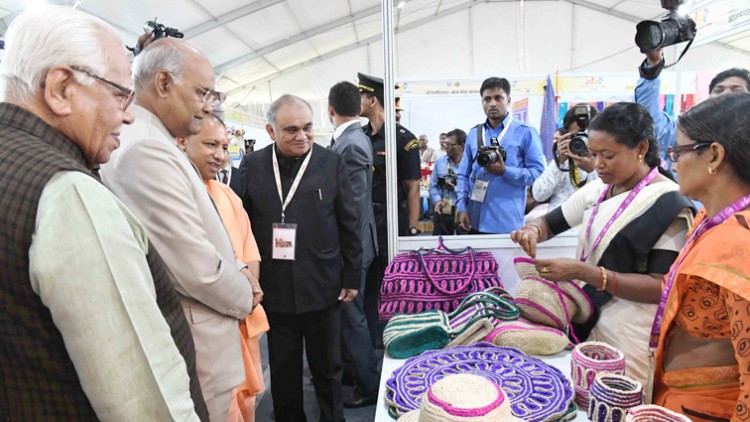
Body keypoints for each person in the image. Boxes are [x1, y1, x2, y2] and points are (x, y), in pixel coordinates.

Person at [0, 6, 207, 420]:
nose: (128, 114)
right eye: (119, 93)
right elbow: (144, 399)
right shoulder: (67, 195)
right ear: (60, 88)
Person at [101, 38, 258, 421]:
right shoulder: (146, 151)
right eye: (202, 92)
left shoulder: (154, 142)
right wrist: (245, 294)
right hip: (194, 343)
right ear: (163, 83)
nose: (207, 105)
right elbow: (194, 266)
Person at [511, 102, 694, 387]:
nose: (597, 165)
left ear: (641, 148)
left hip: (631, 334)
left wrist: (585, 273)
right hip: (587, 319)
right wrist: (532, 231)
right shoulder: (598, 190)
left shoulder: (666, 203)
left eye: (608, 155)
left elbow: (661, 287)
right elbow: (549, 224)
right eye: (594, 154)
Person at [238, 94, 362, 422]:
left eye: (308, 128)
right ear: (270, 130)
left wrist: (352, 276)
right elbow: (240, 226)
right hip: (275, 289)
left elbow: (349, 222)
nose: (302, 136)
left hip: (324, 284)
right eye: (291, 129)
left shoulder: (330, 162)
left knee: (328, 369)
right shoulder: (252, 166)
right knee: (283, 372)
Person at [651, 93, 750, 420]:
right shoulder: (709, 218)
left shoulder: (741, 243)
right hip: (679, 400)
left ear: (715, 155)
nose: (673, 163)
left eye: (678, 151)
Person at [178, 113, 269, 422]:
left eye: (224, 146)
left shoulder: (228, 194)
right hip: (210, 327)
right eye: (210, 145)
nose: (220, 154)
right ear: (181, 142)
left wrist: (248, 296)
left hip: (244, 318)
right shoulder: (177, 197)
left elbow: (250, 251)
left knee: (247, 403)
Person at [327, 81, 381, 408]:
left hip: (353, 250)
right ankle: (355, 373)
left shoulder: (350, 145)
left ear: (330, 110)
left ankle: (369, 384)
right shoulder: (353, 140)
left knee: (353, 318)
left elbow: (352, 207)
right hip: (357, 246)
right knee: (353, 316)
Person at [358, 72, 421, 347]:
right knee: (367, 286)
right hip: (364, 219)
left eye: (361, 95)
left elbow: (413, 188)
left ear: (372, 100)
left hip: (390, 221)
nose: (356, 100)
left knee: (391, 285)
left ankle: (391, 341)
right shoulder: (360, 136)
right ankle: (370, 345)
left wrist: (413, 229)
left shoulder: (403, 139)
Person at [456, 76, 546, 234]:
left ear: (508, 100)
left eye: (498, 98)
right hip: (474, 220)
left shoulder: (525, 132)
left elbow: (537, 173)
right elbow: (463, 174)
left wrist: (505, 171)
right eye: (487, 99)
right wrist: (461, 206)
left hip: (506, 223)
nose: (492, 103)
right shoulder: (473, 134)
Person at [636, 48, 750, 166]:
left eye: (736, 90)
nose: (725, 94)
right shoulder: (686, 132)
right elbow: (650, 119)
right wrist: (653, 65)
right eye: (718, 90)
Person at [533, 105, 599, 210]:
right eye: (576, 136)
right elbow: (539, 195)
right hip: (559, 223)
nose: (581, 140)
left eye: (585, 135)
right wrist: (559, 162)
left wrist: (592, 170)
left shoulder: (605, 159)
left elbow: (606, 197)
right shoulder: (564, 160)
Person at [430, 128, 467, 235]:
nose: (445, 147)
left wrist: (455, 188)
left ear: (461, 146)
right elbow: (433, 185)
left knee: (465, 246)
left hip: (464, 212)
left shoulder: (471, 165)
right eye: (445, 144)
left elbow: (474, 189)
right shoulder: (440, 162)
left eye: (449, 144)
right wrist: (437, 201)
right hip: (444, 210)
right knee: (440, 245)